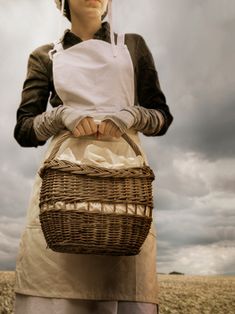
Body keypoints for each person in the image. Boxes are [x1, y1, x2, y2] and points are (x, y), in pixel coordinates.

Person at [13, 0, 173, 313]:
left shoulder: (133, 45)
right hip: (63, 189)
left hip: (125, 186)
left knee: (126, 289)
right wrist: (61, 116)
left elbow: (161, 117)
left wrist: (132, 115)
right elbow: (24, 129)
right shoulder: (45, 55)